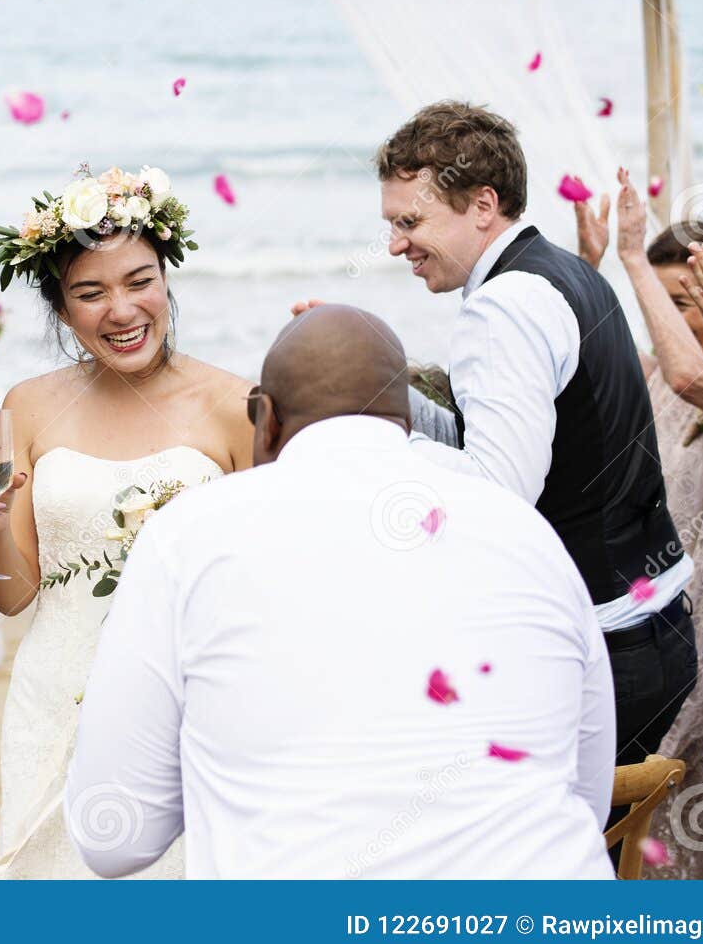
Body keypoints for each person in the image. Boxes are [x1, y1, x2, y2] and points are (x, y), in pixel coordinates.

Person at [65, 305, 616, 878]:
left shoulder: (188, 535)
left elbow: (115, 841)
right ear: (405, 419)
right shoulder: (526, 531)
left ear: (265, 418)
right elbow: (586, 788)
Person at [360, 101, 693, 766]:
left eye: (410, 221)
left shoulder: (504, 306)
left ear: (483, 205)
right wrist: (368, 385)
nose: (395, 244)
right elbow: (509, 441)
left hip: (603, 648)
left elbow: (499, 487)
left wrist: (374, 450)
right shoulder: (559, 271)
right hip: (649, 626)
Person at [0, 165, 253, 878]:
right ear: (62, 311)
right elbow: (11, 594)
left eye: (139, 281)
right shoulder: (25, 406)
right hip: (53, 696)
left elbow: (261, 588)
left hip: (186, 706)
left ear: (167, 281)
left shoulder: (237, 405)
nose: (121, 310)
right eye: (91, 293)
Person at [574, 176, 703, 877]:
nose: (669, 322)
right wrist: (587, 272)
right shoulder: (652, 373)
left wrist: (629, 255)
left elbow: (689, 375)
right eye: (661, 305)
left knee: (699, 832)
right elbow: (592, 364)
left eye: (686, 303)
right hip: (643, 637)